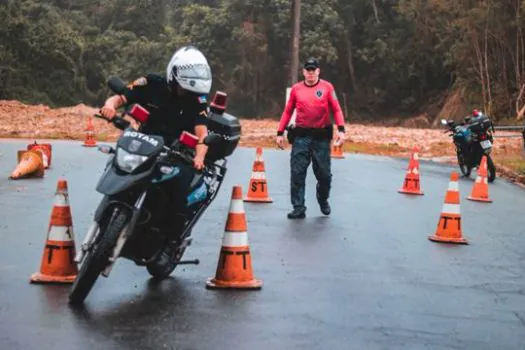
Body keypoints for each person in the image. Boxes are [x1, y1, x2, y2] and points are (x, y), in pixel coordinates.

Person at [99, 45, 212, 242]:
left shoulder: (198, 100)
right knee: (117, 163)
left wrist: (200, 157)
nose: (186, 93)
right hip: (142, 142)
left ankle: (169, 240)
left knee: (180, 188)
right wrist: (109, 106)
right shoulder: (151, 83)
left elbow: (202, 134)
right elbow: (120, 98)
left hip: (175, 152)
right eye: (183, 89)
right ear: (173, 77)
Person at [276, 57, 346, 219]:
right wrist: (280, 132)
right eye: (308, 70)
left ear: (318, 71)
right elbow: (287, 111)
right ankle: (298, 207)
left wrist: (341, 130)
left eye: (313, 70)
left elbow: (336, 110)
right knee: (297, 173)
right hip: (301, 136)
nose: (310, 73)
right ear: (303, 72)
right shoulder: (296, 89)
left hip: (321, 137)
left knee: (324, 175)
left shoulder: (327, 87)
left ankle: (322, 199)